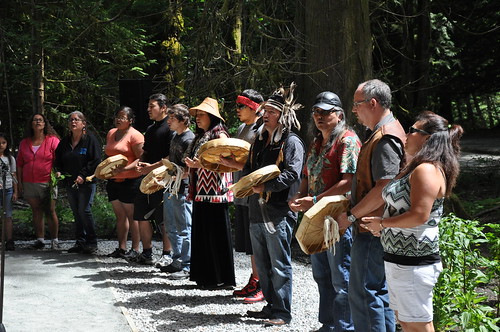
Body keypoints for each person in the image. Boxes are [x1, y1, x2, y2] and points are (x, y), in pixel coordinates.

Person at [361, 111, 463, 332]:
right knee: (407, 322)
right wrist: (384, 226)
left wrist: (383, 224)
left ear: (427, 138)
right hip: (400, 261)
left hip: (414, 265)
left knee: (418, 326)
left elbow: (419, 215)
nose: (406, 134)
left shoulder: (426, 170)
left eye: (412, 130)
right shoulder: (416, 167)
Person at [337, 79, 406, 332]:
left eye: (356, 105)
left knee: (365, 293)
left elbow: (384, 188)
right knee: (375, 292)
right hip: (375, 226)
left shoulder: (385, 137)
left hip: (372, 228)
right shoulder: (383, 132)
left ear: (373, 103)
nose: (354, 110)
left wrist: (352, 216)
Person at [289, 91, 361, 332]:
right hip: (317, 218)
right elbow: (306, 176)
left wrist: (315, 198)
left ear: (339, 115)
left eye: (326, 112)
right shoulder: (316, 142)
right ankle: (329, 324)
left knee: (342, 277)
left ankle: (345, 327)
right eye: (316, 112)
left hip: (337, 219)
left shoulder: (348, 140)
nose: (320, 116)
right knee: (321, 274)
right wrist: (299, 195)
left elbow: (349, 182)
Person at [244, 83, 305, 327]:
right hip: (257, 209)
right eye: (264, 111)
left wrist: (266, 187)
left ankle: (282, 312)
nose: (265, 114)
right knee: (262, 262)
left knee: (279, 262)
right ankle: (270, 306)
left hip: (278, 211)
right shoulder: (259, 140)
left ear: (283, 115)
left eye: (270, 111)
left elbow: (293, 173)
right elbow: (249, 168)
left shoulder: (291, 141)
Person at [218, 89, 265, 303]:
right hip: (241, 192)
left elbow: (258, 164)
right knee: (248, 243)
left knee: (257, 242)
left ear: (254, 107)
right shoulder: (242, 127)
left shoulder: (261, 129)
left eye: (241, 106)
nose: (236, 110)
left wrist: (233, 164)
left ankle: (262, 283)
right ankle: (254, 279)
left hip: (255, 192)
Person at [184, 97, 235, 289]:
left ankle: (218, 277)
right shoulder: (202, 135)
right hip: (201, 190)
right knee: (202, 233)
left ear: (212, 116)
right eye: (197, 115)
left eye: (202, 114)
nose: (198, 118)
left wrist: (201, 164)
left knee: (215, 233)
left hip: (215, 191)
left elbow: (228, 160)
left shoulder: (219, 134)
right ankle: (204, 276)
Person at [133, 93, 174, 266]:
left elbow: (170, 156)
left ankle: (167, 254)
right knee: (141, 215)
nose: (148, 109)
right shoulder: (150, 130)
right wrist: (140, 162)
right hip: (146, 180)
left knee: (163, 219)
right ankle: (147, 252)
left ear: (163, 108)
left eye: (152, 106)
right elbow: (146, 151)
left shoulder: (170, 128)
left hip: (163, 180)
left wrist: (151, 167)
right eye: (148, 106)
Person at [55, 111, 101, 254]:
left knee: (84, 211)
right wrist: (59, 171)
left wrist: (83, 175)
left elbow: (95, 160)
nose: (73, 122)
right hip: (70, 182)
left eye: (76, 120)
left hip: (86, 182)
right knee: (76, 212)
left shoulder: (90, 140)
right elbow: (58, 159)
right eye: (70, 120)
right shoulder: (65, 142)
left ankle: (92, 242)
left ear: (83, 123)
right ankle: (80, 242)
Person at [104, 106, 144, 259]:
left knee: (132, 216)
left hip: (131, 180)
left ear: (130, 120)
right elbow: (108, 154)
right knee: (120, 215)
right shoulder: (111, 133)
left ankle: (135, 249)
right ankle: (121, 247)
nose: (118, 119)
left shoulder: (136, 136)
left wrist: (124, 169)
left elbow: (141, 158)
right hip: (113, 180)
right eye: (117, 116)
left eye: (122, 117)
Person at [160, 104, 195, 280]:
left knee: (185, 227)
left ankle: (187, 265)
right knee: (171, 226)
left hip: (183, 189)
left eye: (172, 118)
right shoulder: (175, 136)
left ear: (183, 120)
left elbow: (190, 168)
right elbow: (171, 160)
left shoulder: (190, 139)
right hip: (170, 186)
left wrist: (177, 177)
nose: (168, 121)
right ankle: (177, 260)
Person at [17, 113, 60, 249]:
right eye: (35, 120)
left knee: (50, 210)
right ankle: (40, 240)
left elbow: (59, 160)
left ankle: (55, 240)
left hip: (48, 181)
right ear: (31, 124)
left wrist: (57, 173)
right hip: (29, 182)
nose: (37, 122)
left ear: (45, 124)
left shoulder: (52, 140)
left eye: (40, 120)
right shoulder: (25, 142)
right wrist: (19, 182)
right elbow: (19, 164)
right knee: (36, 210)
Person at [0, 133, 18, 251]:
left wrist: (16, 191)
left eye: (3, 143)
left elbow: (14, 175)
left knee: (8, 215)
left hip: (7, 189)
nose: (1, 145)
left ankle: (9, 240)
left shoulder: (10, 159)